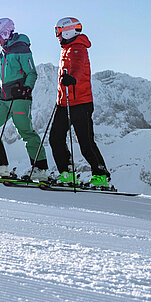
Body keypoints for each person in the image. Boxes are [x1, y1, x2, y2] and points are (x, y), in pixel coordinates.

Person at [0, 18, 49, 180]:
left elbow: (32, 73)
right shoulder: (3, 52)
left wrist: (26, 89)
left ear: (6, 32)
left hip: (20, 99)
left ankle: (40, 169)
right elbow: (9, 78)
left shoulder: (21, 48)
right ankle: (0, 166)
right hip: (6, 99)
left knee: (25, 131)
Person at [49, 17, 111, 187]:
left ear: (67, 30)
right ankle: (66, 173)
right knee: (55, 138)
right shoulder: (66, 49)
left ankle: (101, 176)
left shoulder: (78, 49)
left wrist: (72, 78)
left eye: (58, 32)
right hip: (64, 102)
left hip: (80, 102)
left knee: (85, 141)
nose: (57, 36)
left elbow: (77, 67)